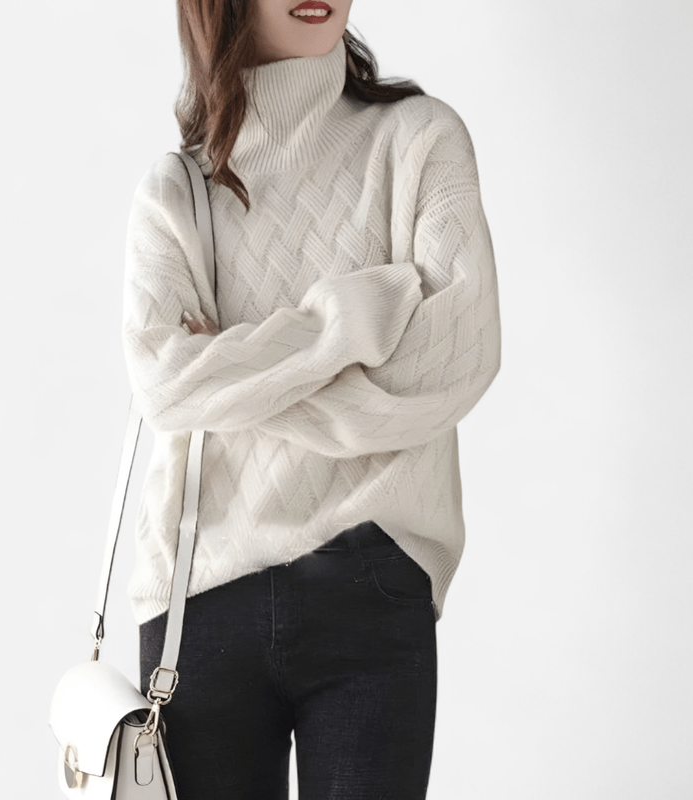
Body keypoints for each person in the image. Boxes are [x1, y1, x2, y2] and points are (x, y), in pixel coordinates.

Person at [122, 1, 501, 797]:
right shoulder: (177, 189)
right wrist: (354, 318)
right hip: (199, 604)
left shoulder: (420, 141)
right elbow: (164, 384)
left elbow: (457, 356)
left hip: (373, 577)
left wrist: (235, 375)